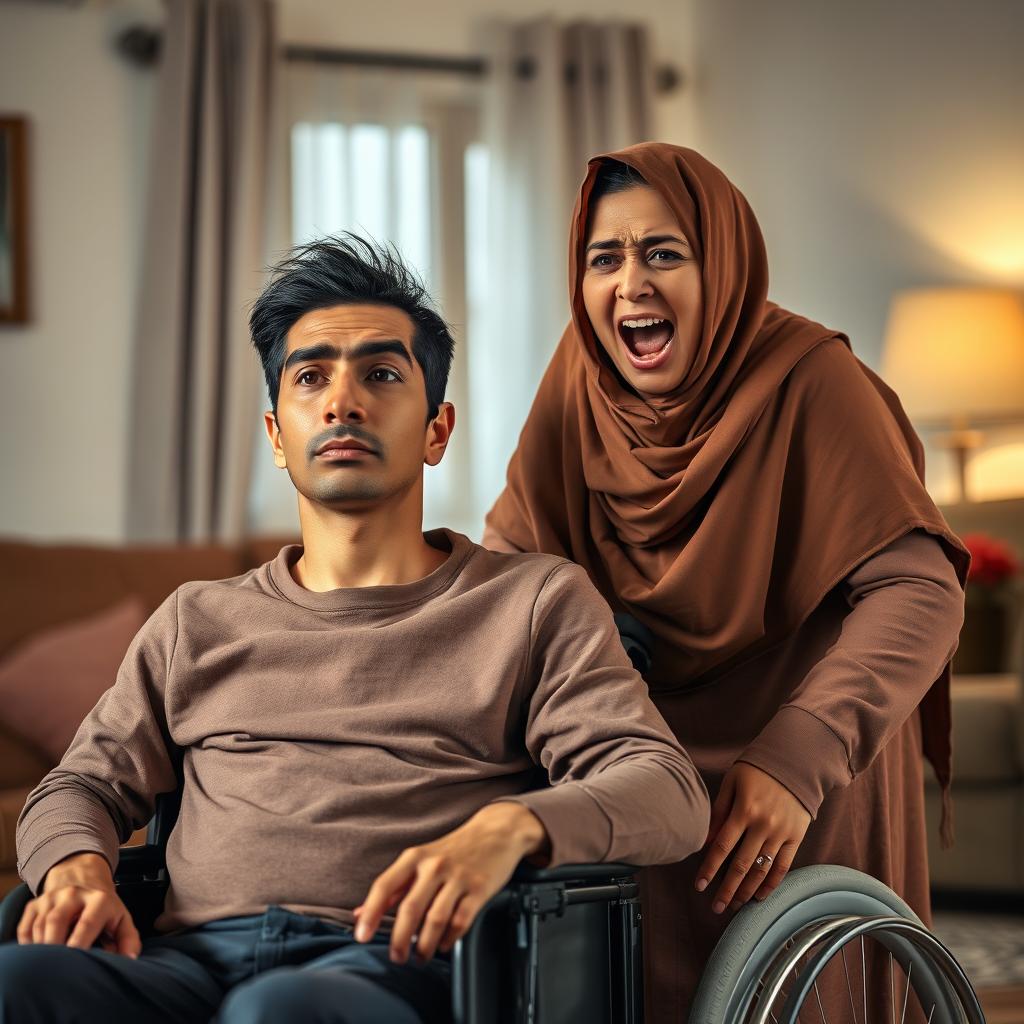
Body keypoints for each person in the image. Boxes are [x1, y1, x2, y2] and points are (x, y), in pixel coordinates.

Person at [1, 235, 711, 1024]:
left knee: (280, 1011)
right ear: (277, 435)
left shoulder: (533, 602)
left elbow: (668, 790)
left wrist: (515, 825)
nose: (343, 401)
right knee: (17, 983)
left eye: (381, 373)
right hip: (187, 965)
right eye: (311, 377)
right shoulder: (195, 620)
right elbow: (81, 784)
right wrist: (75, 869)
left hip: (395, 968)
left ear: (437, 430)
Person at [483, 144, 968, 1023]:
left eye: (663, 252)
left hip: (801, 761)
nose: (630, 283)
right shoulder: (577, 385)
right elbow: (510, 570)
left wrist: (798, 757)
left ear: (724, 265)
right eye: (605, 258)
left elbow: (921, 590)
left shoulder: (812, 380)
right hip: (643, 756)